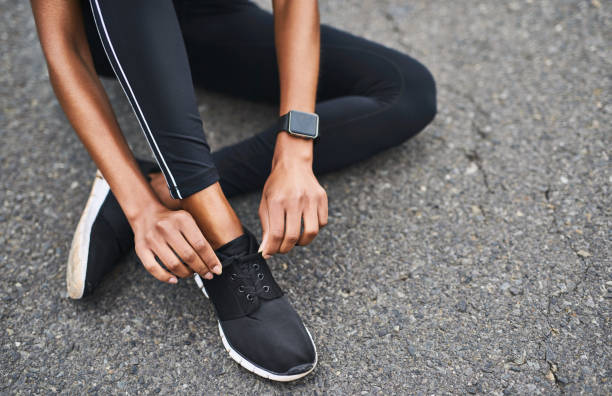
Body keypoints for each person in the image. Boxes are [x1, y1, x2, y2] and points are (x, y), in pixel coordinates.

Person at [30, 0, 436, 381]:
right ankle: (225, 244)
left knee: (404, 90)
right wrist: (141, 213)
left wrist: (294, 149)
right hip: (116, 24)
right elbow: (66, 48)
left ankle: (161, 186)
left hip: (207, 12)